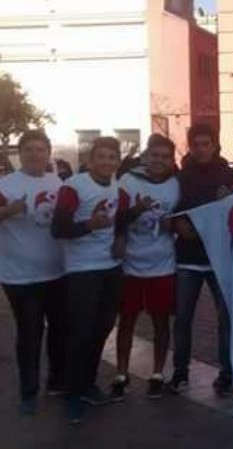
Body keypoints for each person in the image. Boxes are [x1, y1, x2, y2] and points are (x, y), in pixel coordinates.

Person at [52, 136, 126, 424]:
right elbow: (58, 229)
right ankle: (72, 395)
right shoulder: (74, 187)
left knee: (102, 328)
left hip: (111, 266)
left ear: (117, 161)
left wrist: (121, 237)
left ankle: (88, 384)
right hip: (82, 269)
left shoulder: (118, 187)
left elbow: (119, 220)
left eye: (112, 157)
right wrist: (88, 225)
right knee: (81, 332)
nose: (107, 162)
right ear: (90, 160)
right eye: (101, 157)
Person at [169, 124, 233, 399]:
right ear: (190, 146)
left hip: (219, 258)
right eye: (196, 144)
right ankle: (180, 372)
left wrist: (230, 201)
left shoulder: (229, 174)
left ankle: (227, 374)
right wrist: (177, 225)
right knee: (183, 318)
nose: (201, 148)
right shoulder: (180, 176)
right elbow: (171, 209)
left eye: (205, 143)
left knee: (226, 319)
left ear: (214, 145)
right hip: (187, 259)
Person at [0, 130, 67, 416]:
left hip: (57, 273)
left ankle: (56, 381)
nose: (35, 154)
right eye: (29, 149)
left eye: (41, 149)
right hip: (21, 277)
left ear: (48, 153)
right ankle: (29, 391)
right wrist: (8, 211)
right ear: (20, 153)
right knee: (30, 333)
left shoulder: (57, 181)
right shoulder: (6, 184)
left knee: (59, 331)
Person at [110, 134, 179, 401]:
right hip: (131, 263)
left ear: (172, 160)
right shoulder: (128, 181)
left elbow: (182, 217)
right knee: (127, 320)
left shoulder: (176, 184)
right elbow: (118, 217)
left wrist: (172, 225)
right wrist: (133, 214)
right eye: (155, 155)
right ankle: (121, 373)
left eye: (165, 157)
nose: (159, 161)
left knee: (161, 321)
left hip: (162, 263)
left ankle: (158, 373)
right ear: (146, 156)